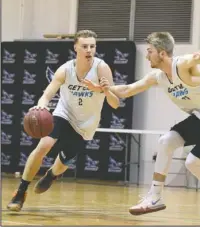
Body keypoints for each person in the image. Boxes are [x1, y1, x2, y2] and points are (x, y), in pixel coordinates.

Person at [84, 31, 200, 219]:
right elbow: (127, 90)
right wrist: (105, 89)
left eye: (150, 51)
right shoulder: (157, 76)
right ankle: (155, 196)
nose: (146, 55)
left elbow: (190, 61)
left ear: (161, 53)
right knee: (166, 141)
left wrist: (198, 57)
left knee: (193, 162)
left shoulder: (182, 66)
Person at [7, 29, 120, 212]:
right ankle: (21, 192)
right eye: (84, 46)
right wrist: (41, 105)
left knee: (61, 164)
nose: (89, 50)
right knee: (44, 145)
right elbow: (47, 94)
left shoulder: (101, 68)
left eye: (92, 46)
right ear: (76, 47)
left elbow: (115, 104)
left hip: (85, 125)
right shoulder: (66, 69)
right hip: (64, 114)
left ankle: (51, 175)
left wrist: (106, 90)